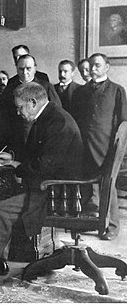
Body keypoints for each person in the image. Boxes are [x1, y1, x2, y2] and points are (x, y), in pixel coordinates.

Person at [0, 82, 82, 275]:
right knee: (5, 196)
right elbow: (41, 155)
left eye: (20, 107)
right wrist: (14, 159)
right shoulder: (51, 116)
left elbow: (45, 165)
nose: (18, 112)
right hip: (56, 187)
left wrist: (18, 167)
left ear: (32, 102)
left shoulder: (57, 122)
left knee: (0, 209)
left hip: (59, 194)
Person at [71, 52, 127, 239]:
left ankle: (111, 227)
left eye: (97, 65)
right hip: (84, 145)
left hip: (106, 146)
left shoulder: (117, 90)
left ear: (106, 67)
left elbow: (123, 122)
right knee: (86, 184)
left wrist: (118, 146)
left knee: (107, 184)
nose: (93, 69)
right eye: (91, 66)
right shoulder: (80, 91)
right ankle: (91, 221)